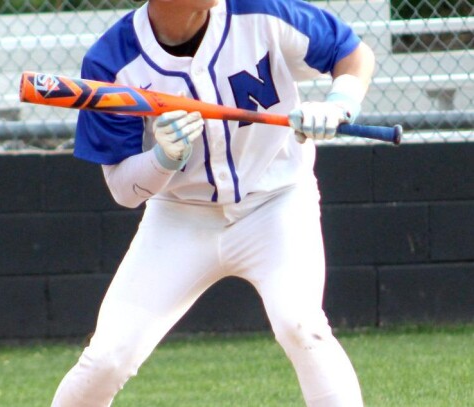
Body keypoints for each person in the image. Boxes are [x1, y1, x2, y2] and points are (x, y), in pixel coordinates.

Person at [51, 0, 375, 406]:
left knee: (302, 325)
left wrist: (338, 104)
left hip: (277, 200)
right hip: (180, 218)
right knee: (107, 358)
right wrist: (161, 160)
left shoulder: (258, 11)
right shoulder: (112, 61)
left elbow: (352, 53)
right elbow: (123, 189)